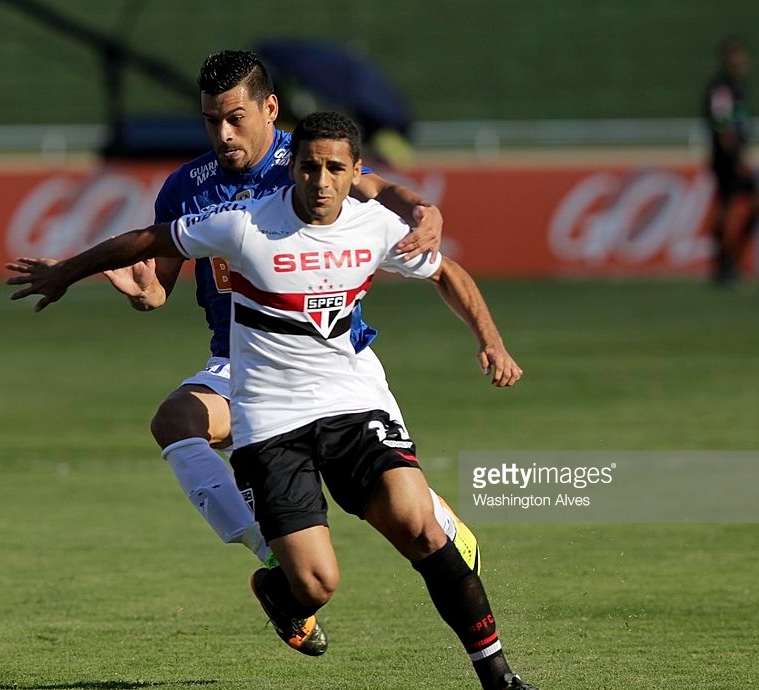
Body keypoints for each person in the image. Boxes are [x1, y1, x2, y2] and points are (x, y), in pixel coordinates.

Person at [6, 111, 562, 690]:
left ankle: (502, 682)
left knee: (419, 528)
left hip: (354, 402)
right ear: (291, 169)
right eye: (309, 167)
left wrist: (491, 341)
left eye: (335, 169)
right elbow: (147, 240)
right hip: (270, 420)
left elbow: (446, 273)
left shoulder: (372, 226)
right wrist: (68, 271)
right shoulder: (243, 225)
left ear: (354, 173)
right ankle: (282, 592)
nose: (321, 181)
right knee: (318, 584)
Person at [102, 51, 479, 602]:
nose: (224, 133)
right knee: (176, 422)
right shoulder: (185, 186)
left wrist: (425, 208)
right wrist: (144, 293)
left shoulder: (307, 162)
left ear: (269, 109)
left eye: (236, 118)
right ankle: (274, 555)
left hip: (324, 360)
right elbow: (158, 287)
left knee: (382, 497)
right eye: (212, 120)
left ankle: (430, 517)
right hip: (239, 361)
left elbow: (378, 190)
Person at [703, 35, 759, 286]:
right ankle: (723, 264)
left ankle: (730, 261)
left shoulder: (737, 87)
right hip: (728, 158)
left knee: (758, 205)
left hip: (737, 156)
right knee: (727, 208)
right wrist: (736, 158)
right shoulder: (722, 88)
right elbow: (722, 127)